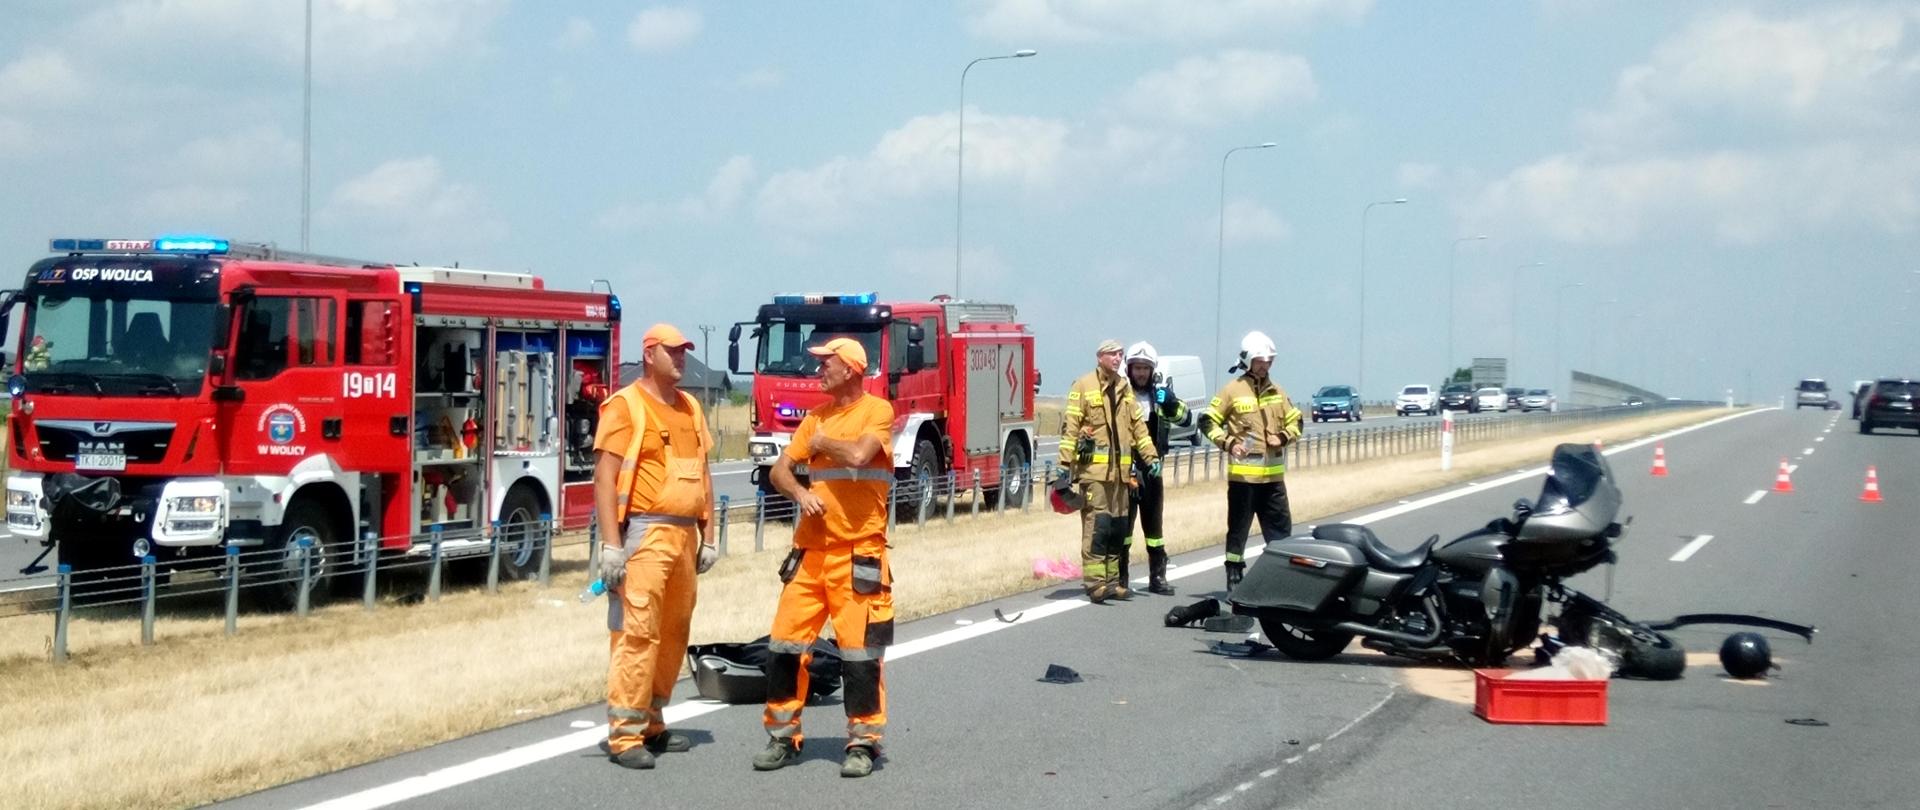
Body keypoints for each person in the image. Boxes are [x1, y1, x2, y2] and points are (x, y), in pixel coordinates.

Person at [754, 337, 897, 779]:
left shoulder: (877, 412)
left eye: (825, 364)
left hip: (859, 556)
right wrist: (798, 491)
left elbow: (858, 454)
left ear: (851, 369)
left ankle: (862, 742)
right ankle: (782, 735)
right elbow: (779, 469)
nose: (817, 371)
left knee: (859, 655)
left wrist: (821, 441)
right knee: (783, 646)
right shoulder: (814, 418)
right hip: (811, 553)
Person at [593, 323, 719, 770]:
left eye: (684, 352)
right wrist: (612, 546)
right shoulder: (626, 406)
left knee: (673, 632)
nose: (682, 359)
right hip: (645, 535)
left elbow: (703, 473)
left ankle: (652, 722)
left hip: (684, 536)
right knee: (638, 632)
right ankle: (625, 736)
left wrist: (710, 535)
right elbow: (605, 478)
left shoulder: (690, 407)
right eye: (673, 352)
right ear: (650, 354)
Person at [1057, 339, 1159, 603]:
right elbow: (1070, 430)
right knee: (1097, 528)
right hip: (1094, 474)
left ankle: (1113, 582)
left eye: (1120, 355)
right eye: (1113, 354)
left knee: (1117, 528)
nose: (1118, 358)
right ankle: (1095, 584)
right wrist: (1063, 467)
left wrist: (1150, 457)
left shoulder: (1124, 388)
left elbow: (1138, 426)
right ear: (1099, 357)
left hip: (1121, 475)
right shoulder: (1083, 386)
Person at [1201, 331, 1302, 592]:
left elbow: (1297, 421)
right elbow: (1207, 420)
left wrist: (1283, 436)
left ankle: (1280, 582)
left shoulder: (1278, 391)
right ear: (1247, 360)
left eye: (1269, 361)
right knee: (1238, 534)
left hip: (1273, 481)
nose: (1265, 365)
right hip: (1243, 481)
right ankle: (1234, 579)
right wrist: (1228, 443)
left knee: (1280, 536)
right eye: (1260, 360)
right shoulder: (1232, 390)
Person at [1122, 341, 1189, 595]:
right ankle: (1121, 578)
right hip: (1126, 469)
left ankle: (1158, 577)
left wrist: (1171, 403)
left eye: (1145, 368)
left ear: (1152, 370)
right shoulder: (1121, 394)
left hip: (1153, 468)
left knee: (1154, 527)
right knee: (1124, 527)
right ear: (1128, 369)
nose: (1140, 373)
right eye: (1136, 368)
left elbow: (1185, 418)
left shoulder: (1160, 395)